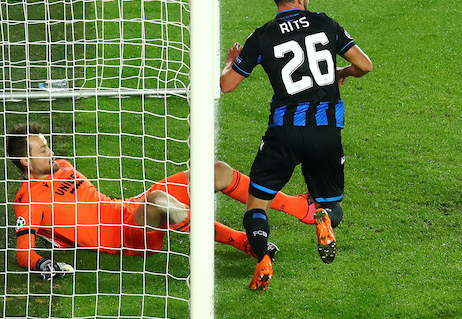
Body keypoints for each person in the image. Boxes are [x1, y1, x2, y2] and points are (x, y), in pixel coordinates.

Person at [220, 0, 374, 290]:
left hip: (283, 134)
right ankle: (324, 220)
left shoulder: (261, 36)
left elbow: (227, 85)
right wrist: (342, 73)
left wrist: (231, 61)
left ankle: (262, 256)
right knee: (331, 204)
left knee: (256, 204)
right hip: (325, 130)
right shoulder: (324, 23)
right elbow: (365, 65)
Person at [7, 123, 315, 277]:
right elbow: (23, 255)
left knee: (216, 172)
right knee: (160, 200)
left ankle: (299, 208)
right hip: (124, 237)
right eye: (42, 150)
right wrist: (49, 265)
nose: (51, 153)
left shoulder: (62, 168)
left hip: (129, 208)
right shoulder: (28, 200)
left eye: (47, 146)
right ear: (24, 161)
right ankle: (242, 241)